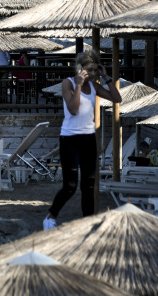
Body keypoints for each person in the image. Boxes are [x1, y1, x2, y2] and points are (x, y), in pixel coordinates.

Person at [44, 50, 122, 230]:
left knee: (88, 185)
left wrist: (106, 77)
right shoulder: (68, 83)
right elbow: (73, 109)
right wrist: (78, 85)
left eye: (95, 70)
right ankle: (50, 216)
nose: (92, 74)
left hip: (88, 138)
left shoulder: (95, 85)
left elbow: (117, 98)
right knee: (70, 186)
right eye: (89, 70)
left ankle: (87, 224)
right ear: (80, 69)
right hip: (70, 139)